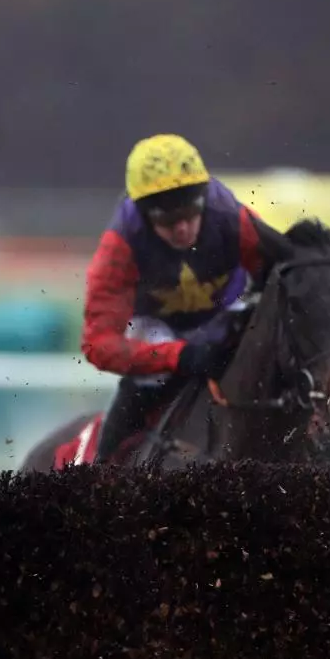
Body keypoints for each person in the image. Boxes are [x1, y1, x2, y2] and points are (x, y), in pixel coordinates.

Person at [81, 133, 270, 461]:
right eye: (167, 218)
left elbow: (284, 274)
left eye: (190, 209)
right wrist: (178, 357)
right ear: (144, 213)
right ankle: (102, 469)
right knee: (143, 386)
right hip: (157, 328)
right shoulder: (119, 245)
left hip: (228, 310)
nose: (182, 227)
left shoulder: (233, 217)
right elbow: (98, 343)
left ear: (204, 197)